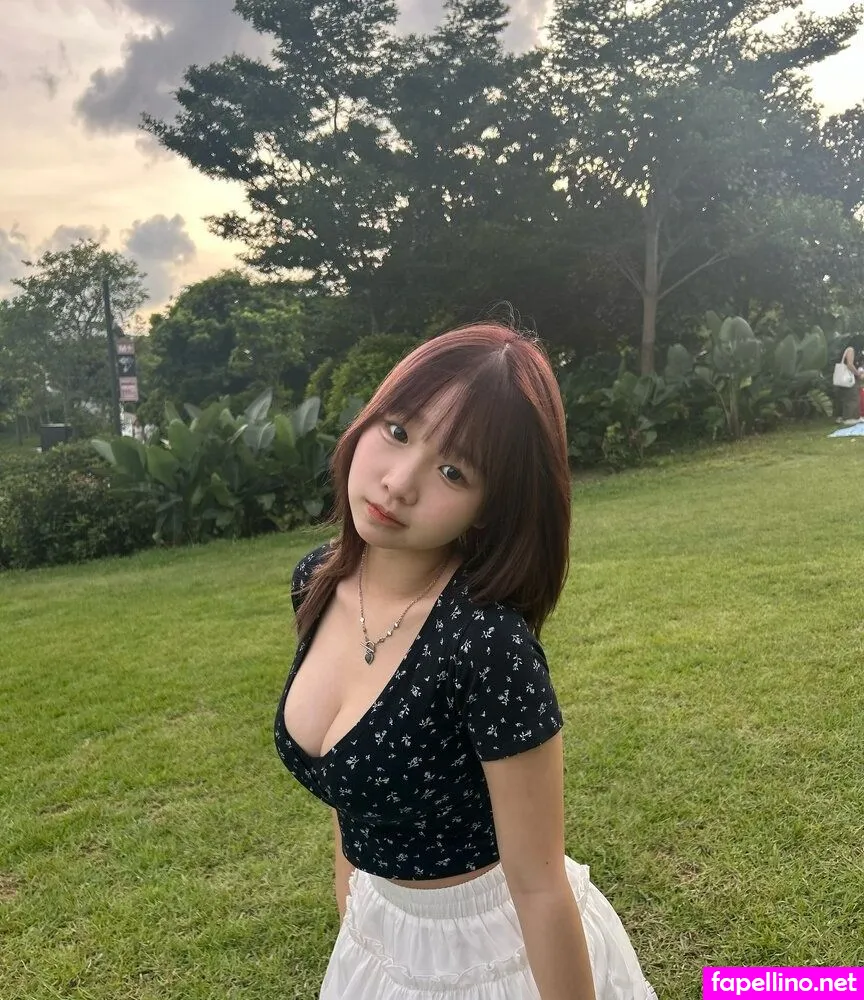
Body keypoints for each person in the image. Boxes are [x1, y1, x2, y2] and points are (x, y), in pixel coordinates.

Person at [274, 323, 657, 1000]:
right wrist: (353, 927)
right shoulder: (319, 580)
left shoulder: (487, 646)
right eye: (397, 430)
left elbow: (539, 887)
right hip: (377, 939)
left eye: (453, 471)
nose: (399, 483)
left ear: (489, 508)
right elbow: (348, 799)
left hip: (490, 959)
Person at [834, 344, 862, 424]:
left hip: (842, 378)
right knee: (852, 397)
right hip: (848, 378)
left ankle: (842, 417)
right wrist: (857, 373)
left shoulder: (844, 349)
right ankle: (850, 418)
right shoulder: (850, 349)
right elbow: (850, 364)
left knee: (844, 398)